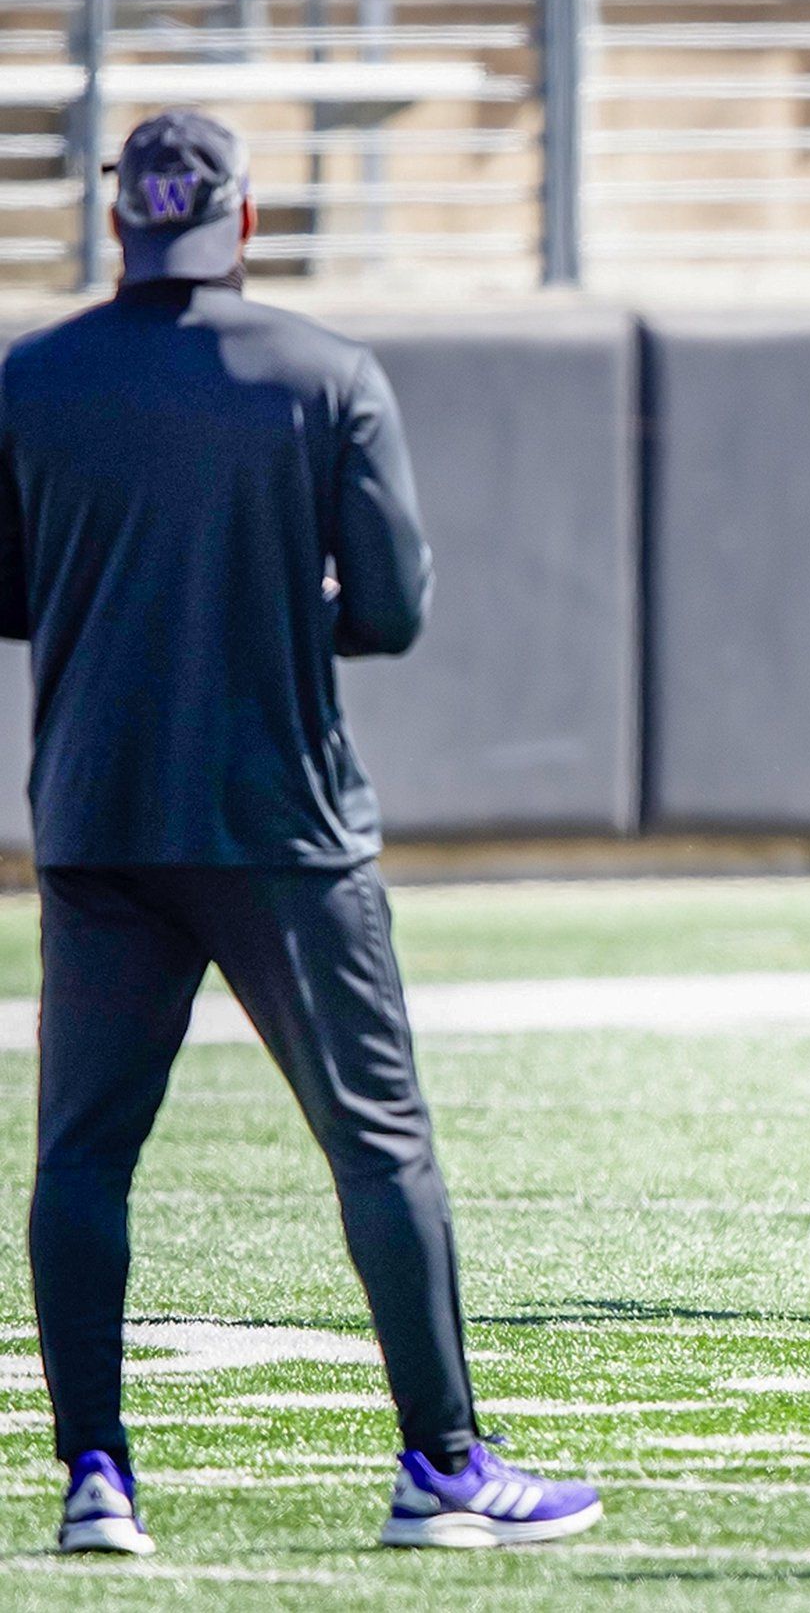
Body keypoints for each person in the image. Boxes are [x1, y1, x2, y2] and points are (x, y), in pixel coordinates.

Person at [0, 109, 600, 1554]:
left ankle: (97, 1476)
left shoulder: (30, 378)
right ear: (247, 221)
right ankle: (444, 1468)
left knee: (84, 1155)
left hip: (97, 815)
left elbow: (12, 596)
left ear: (117, 217)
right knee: (378, 1144)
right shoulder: (327, 377)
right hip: (283, 824)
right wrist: (276, 608)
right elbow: (390, 611)